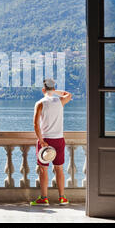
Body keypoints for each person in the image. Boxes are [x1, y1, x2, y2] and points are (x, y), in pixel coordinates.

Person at [30, 78, 72, 206]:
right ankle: (62, 197)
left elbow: (36, 124)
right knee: (59, 169)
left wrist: (41, 140)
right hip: (59, 139)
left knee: (43, 170)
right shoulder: (60, 101)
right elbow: (68, 94)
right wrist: (54, 91)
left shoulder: (40, 103)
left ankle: (44, 198)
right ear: (53, 89)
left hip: (46, 140)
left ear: (43, 89)